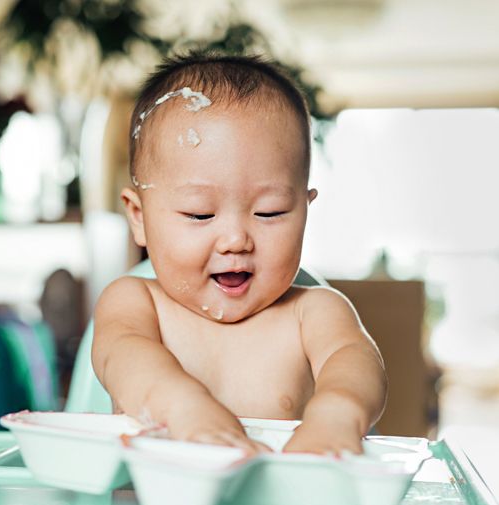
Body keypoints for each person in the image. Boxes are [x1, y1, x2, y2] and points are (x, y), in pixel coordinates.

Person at [91, 51, 387, 455]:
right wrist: (183, 409)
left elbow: (355, 361)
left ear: (304, 210)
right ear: (139, 218)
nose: (235, 240)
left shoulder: (313, 313)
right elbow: (125, 357)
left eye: (269, 212)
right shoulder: (134, 303)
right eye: (200, 214)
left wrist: (337, 415)